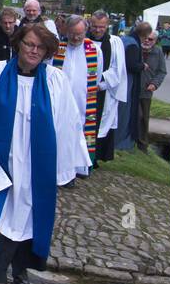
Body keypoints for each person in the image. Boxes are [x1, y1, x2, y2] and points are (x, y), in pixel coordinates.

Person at [0, 22, 89, 284]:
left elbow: (68, 124)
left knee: (28, 217)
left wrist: (62, 167)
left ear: (47, 50)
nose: (34, 50)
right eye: (28, 44)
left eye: (40, 47)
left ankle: (20, 267)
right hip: (0, 162)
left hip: (35, 165)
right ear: (18, 45)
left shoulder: (55, 81)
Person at [51, 15, 104, 169]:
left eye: (79, 34)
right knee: (61, 133)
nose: (75, 37)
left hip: (83, 101)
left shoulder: (94, 50)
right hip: (61, 100)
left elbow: (97, 75)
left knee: (79, 133)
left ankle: (78, 166)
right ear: (66, 31)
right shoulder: (58, 48)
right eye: (72, 33)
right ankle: (60, 167)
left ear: (86, 31)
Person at [88, 10, 126, 165]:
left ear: (107, 25)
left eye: (102, 27)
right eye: (95, 26)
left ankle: (94, 156)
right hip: (85, 90)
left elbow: (118, 69)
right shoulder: (83, 40)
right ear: (90, 24)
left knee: (98, 122)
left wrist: (100, 84)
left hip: (104, 91)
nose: (98, 30)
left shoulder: (114, 42)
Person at [115, 22, 151, 151]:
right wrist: (142, 66)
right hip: (127, 82)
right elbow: (130, 64)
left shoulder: (124, 40)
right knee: (125, 112)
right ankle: (122, 142)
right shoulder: (133, 44)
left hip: (119, 80)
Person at [137, 30, 167, 150]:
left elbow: (162, 71)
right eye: (146, 38)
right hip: (132, 89)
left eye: (151, 39)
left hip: (146, 89)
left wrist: (155, 84)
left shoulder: (158, 51)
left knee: (144, 117)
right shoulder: (135, 48)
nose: (147, 41)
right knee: (135, 115)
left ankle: (142, 145)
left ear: (155, 41)